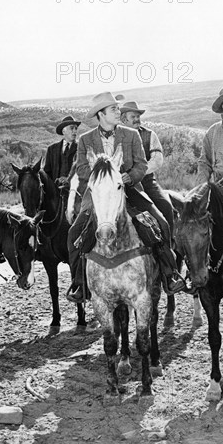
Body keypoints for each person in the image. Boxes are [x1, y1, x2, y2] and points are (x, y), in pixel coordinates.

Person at [66, 92, 186, 303]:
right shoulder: (86, 140)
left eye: (116, 108)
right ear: (101, 114)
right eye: (113, 109)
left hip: (130, 190)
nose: (117, 111)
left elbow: (141, 164)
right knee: (74, 233)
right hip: (100, 196)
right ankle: (79, 284)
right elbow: (82, 169)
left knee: (161, 222)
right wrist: (105, 176)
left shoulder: (131, 135)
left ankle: (170, 273)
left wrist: (129, 177)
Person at [119, 100, 175, 235]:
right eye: (133, 117)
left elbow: (157, 160)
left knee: (166, 207)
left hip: (147, 183)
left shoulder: (149, 134)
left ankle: (169, 246)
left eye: (138, 116)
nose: (137, 119)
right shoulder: (116, 137)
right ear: (123, 119)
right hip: (123, 185)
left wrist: (135, 173)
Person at [44, 115, 80, 187]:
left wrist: (68, 180)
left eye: (76, 128)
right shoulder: (52, 149)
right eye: (72, 128)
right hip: (55, 193)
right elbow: (47, 172)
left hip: (74, 191)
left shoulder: (81, 148)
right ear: (64, 131)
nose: (75, 131)